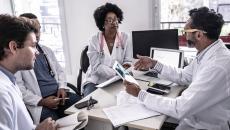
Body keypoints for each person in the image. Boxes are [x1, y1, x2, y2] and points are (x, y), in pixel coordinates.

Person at [124, 7, 230, 130]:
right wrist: (154, 64)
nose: (184, 35)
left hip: (203, 126)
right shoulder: (207, 52)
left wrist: (140, 94)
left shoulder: (217, 66)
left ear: (199, 34)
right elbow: (183, 76)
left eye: (186, 31)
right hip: (193, 119)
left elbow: (179, 108)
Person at [15, 13, 81, 124]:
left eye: (39, 30)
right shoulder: (20, 58)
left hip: (59, 96)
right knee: (54, 123)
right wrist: (42, 101)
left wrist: (62, 88)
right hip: (39, 102)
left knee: (82, 111)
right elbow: (20, 90)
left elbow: (60, 72)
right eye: (34, 31)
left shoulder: (47, 50)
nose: (37, 34)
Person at [0, 14, 57, 130]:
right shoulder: (2, 94)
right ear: (14, 47)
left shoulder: (9, 79)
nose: (37, 52)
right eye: (33, 46)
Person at [83, 3, 133, 96]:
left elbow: (128, 61)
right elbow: (96, 67)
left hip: (117, 79)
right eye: (109, 20)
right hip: (95, 81)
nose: (114, 22)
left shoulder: (125, 38)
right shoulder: (94, 39)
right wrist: (116, 73)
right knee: (92, 103)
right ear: (102, 23)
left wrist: (122, 72)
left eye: (115, 19)